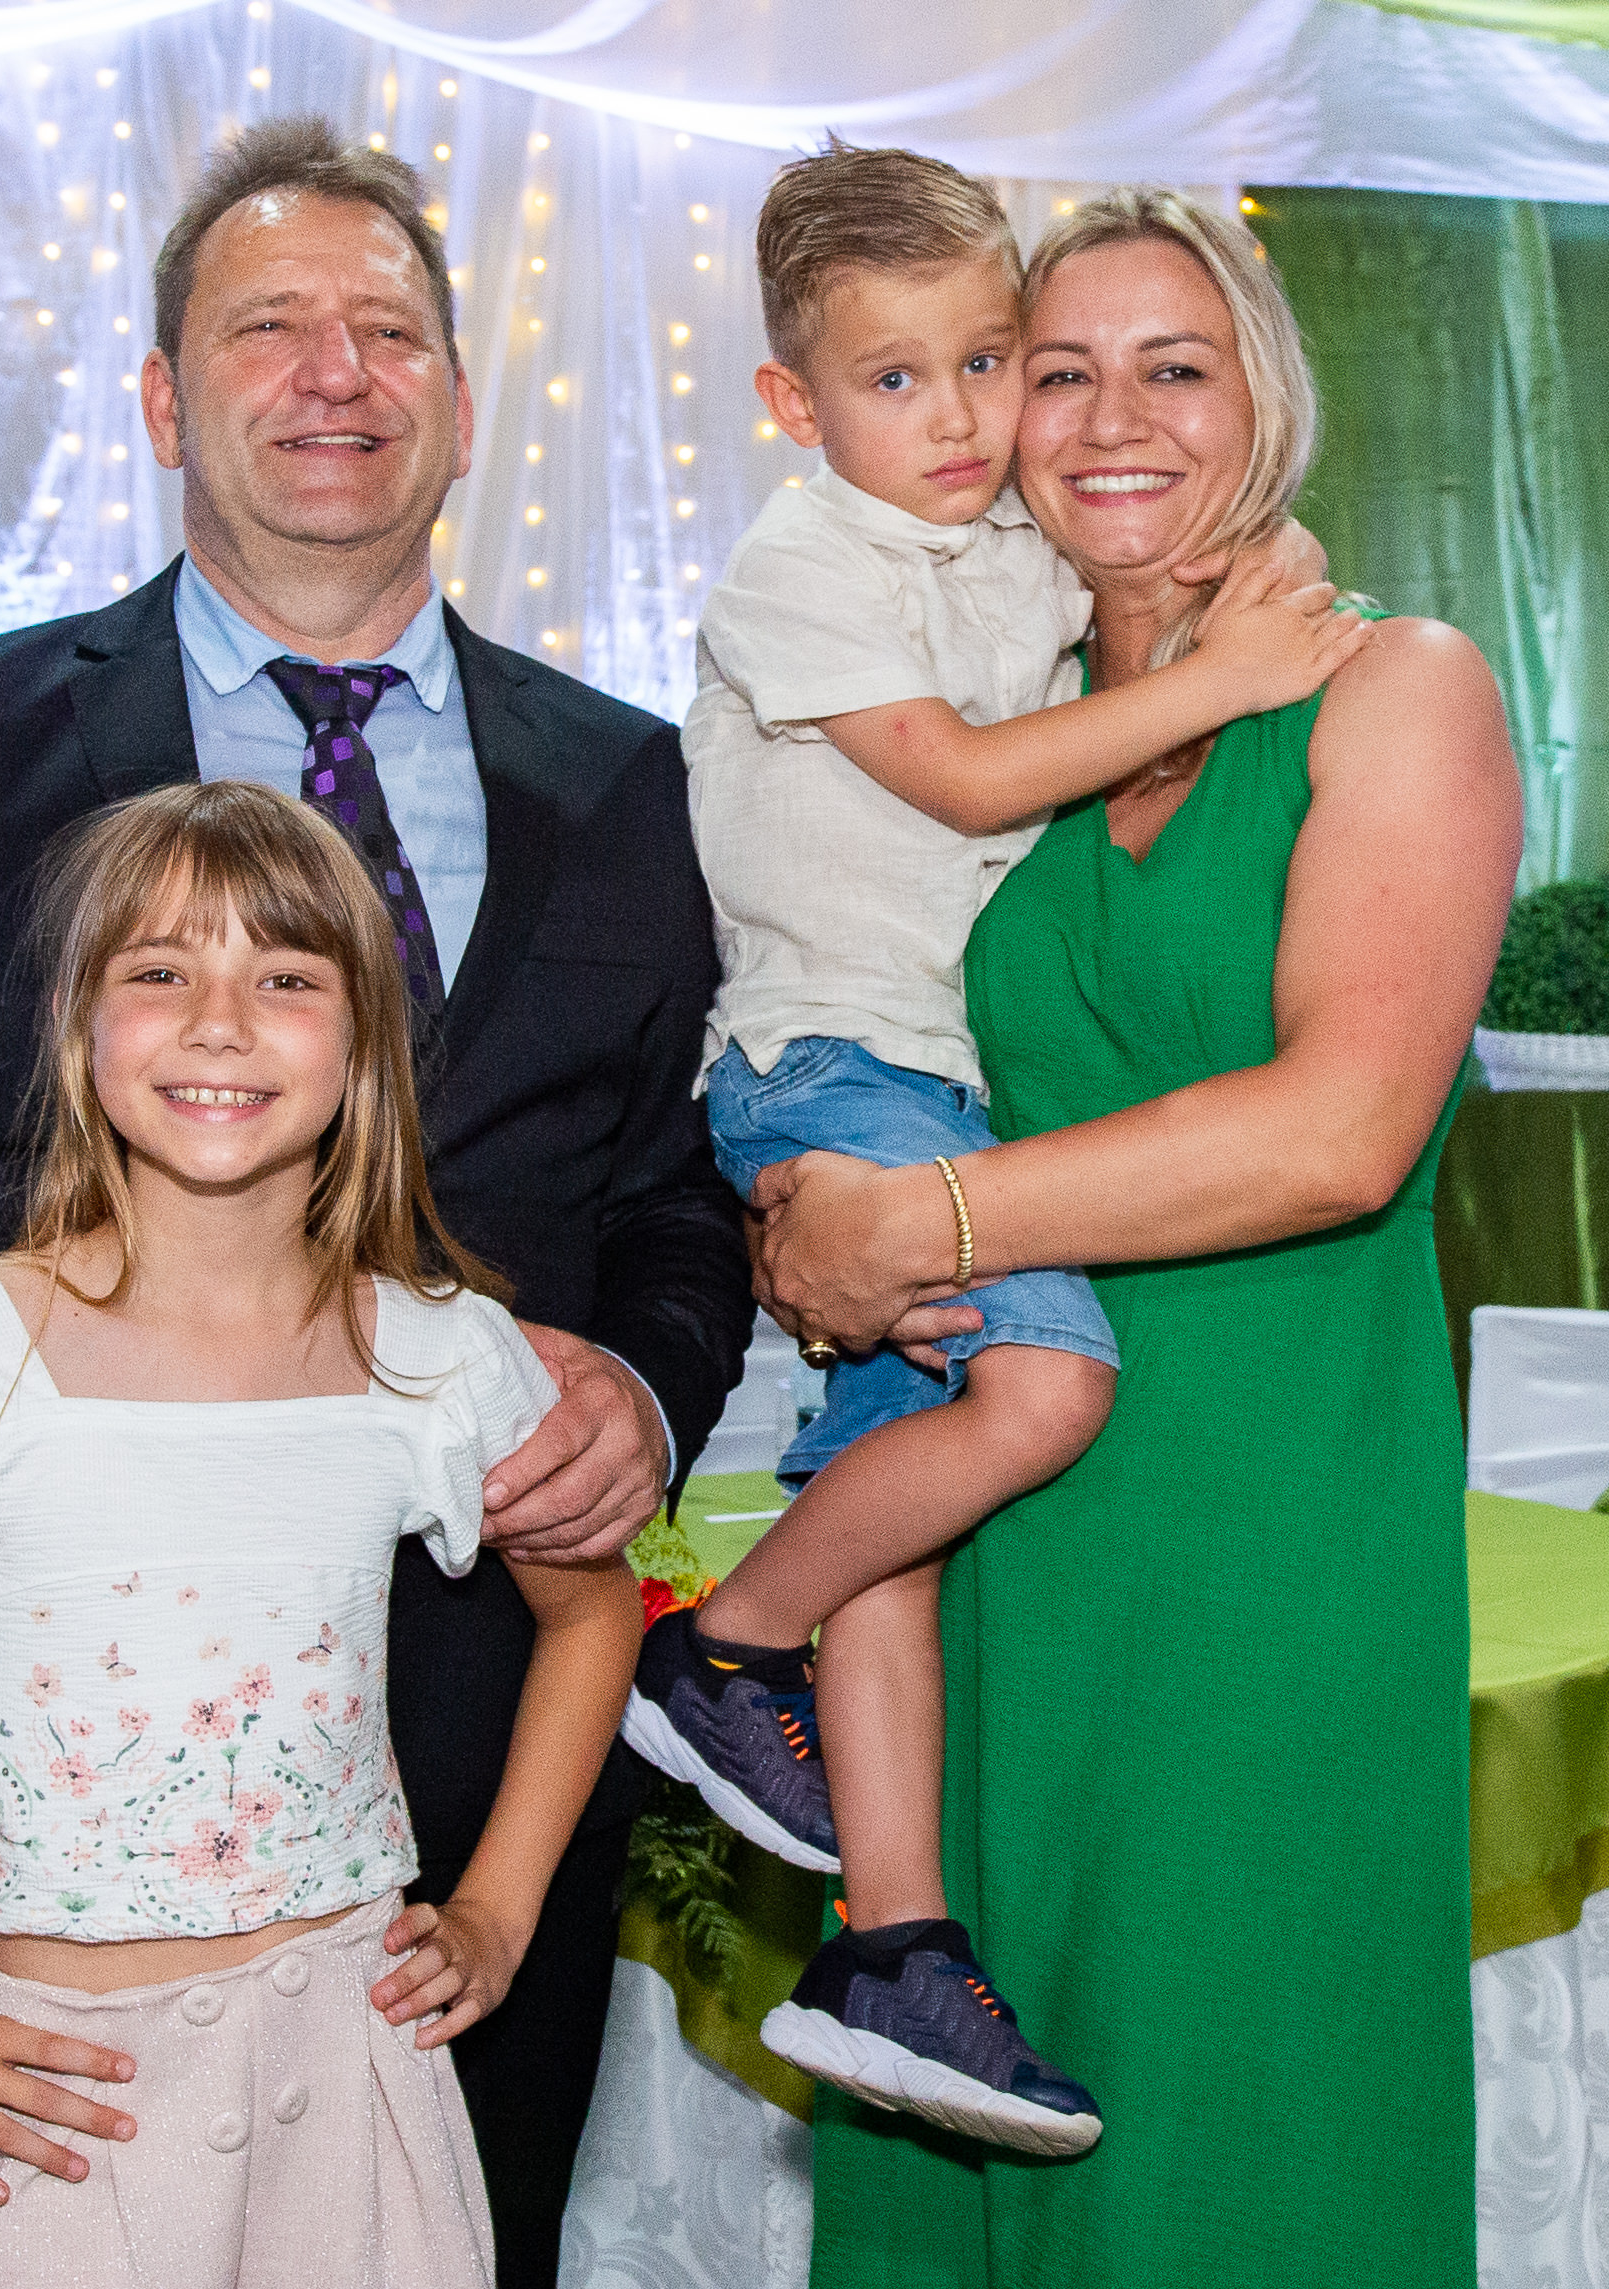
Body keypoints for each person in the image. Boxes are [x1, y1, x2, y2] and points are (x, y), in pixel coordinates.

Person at [0, 119, 754, 2286]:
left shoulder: (629, 773)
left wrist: (641, 1384)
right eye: (268, 327)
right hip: (55, 1832)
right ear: (164, 399)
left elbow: (675, 1200)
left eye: (388, 332)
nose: (335, 372)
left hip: (471, 1831)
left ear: (460, 402)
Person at [0, 781, 644, 2289]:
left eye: (286, 978)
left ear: (365, 1048)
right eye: (159, 971)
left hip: (364, 2085)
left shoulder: (440, 1351)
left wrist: (499, 1908)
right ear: (80, 1029)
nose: (220, 1022)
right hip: (70, 2120)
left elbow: (593, 1610)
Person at [760, 189, 1521, 2284]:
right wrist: (796, 1205)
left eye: (1172, 368)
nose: (1109, 419)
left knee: (1237, 2125)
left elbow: (1339, 1132)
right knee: (964, 2121)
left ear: (1261, 399)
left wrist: (918, 1215)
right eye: (1054, 370)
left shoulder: (1393, 687)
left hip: (1269, 1536)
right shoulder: (978, 731)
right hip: (982, 1534)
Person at [621, 145, 1366, 2159]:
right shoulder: (802, 564)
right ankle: (719, 1645)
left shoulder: (1005, 542)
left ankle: (894, 1937)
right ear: (791, 403)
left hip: (935, 1087)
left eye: (984, 363)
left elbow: (1186, 547)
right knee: (1040, 1388)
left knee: (897, 1489)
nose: (960, 421)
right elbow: (959, 776)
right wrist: (1231, 676)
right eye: (899, 380)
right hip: (831, 1059)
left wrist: (1254, 593)